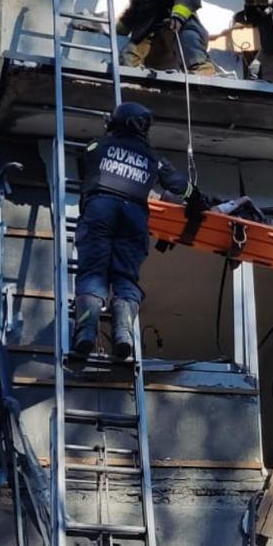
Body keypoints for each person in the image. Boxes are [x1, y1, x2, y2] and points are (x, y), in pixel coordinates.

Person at [72, 102, 201, 360]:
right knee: (125, 278)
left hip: (100, 209)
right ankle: (123, 335)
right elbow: (181, 186)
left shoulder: (97, 146)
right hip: (133, 217)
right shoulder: (154, 159)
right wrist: (198, 201)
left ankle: (86, 332)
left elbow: (85, 166)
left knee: (93, 272)